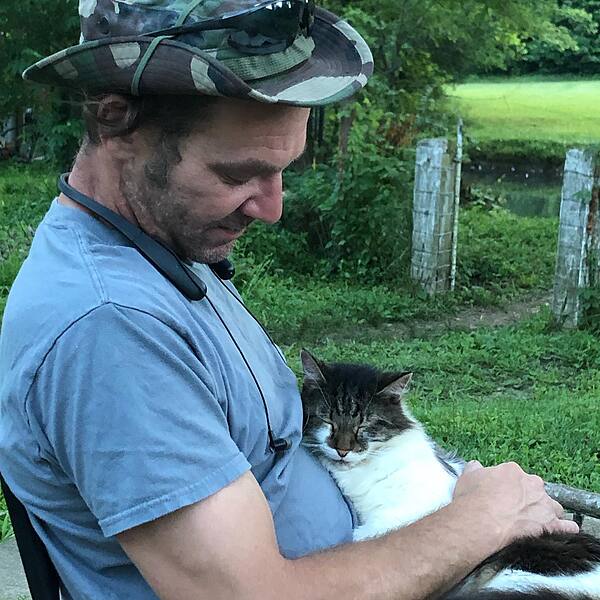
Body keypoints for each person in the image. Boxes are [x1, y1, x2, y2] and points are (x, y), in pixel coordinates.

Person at [0, 1, 579, 599]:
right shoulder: (110, 327)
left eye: (283, 171)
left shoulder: (165, 253)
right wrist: (480, 521)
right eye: (236, 174)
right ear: (116, 119)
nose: (272, 209)